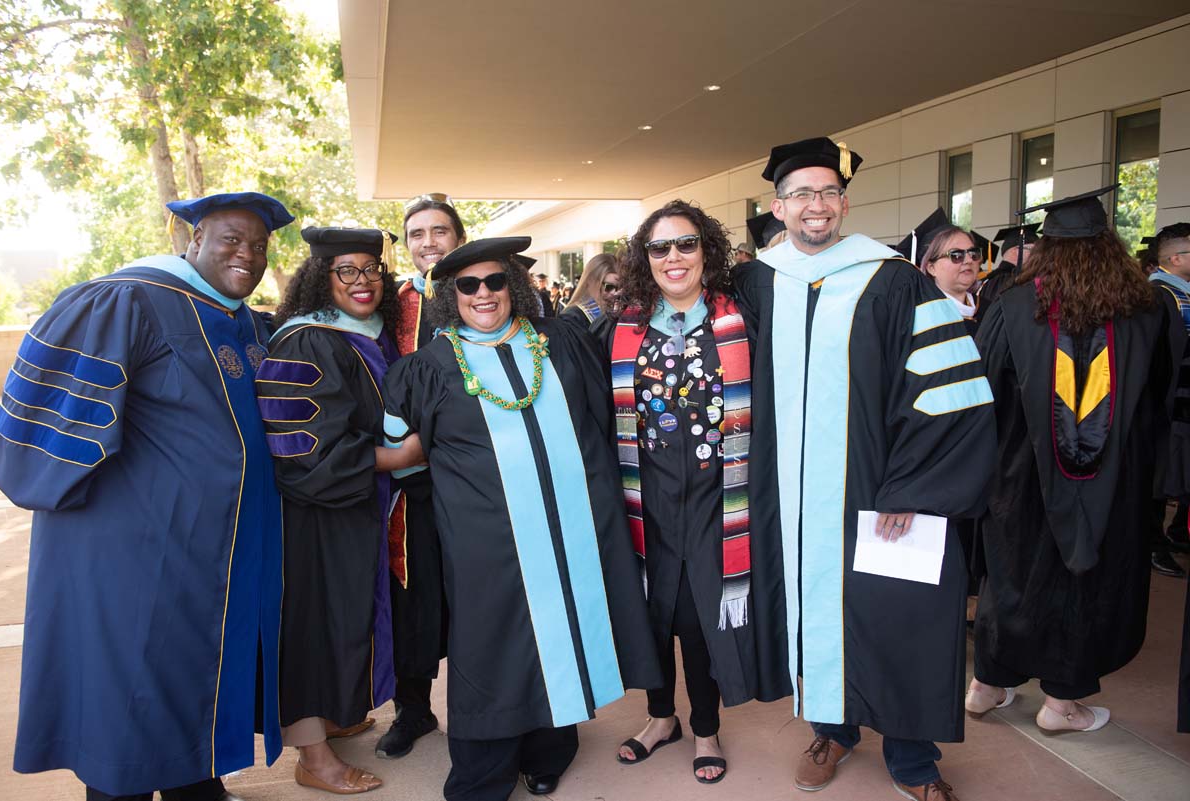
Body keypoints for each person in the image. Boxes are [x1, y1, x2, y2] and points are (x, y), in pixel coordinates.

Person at [0, 192, 294, 801]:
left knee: (193, 669)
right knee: (132, 675)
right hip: (139, 545)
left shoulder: (245, 321)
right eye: (231, 239)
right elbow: (52, 422)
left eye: (259, 246)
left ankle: (197, 782)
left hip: (223, 547)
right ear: (192, 237)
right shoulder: (126, 299)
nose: (247, 255)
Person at [732, 138, 996, 801]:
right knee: (813, 609)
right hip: (785, 497)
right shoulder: (754, 283)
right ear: (778, 206)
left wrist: (914, 485)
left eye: (827, 192)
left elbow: (950, 392)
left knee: (899, 613)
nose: (815, 205)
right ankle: (833, 728)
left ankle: (912, 756)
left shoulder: (895, 280)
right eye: (800, 194)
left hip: (881, 490)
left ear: (844, 203)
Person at [382, 236, 661, 801]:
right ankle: (484, 771)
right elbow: (398, 450)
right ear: (450, 296)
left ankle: (549, 751)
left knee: (561, 631)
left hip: (574, 527)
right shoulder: (428, 367)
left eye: (495, 281)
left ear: (514, 285)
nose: (483, 294)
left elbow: (601, 418)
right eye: (468, 285)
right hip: (487, 540)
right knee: (491, 648)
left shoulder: (559, 342)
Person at [968, 186, 1172, 735]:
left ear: (1046, 247)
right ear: (1110, 243)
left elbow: (983, 390)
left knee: (1012, 573)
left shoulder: (1010, 303)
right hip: (1115, 476)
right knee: (1089, 579)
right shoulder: (1148, 307)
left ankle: (987, 683)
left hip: (1021, 471)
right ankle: (1061, 705)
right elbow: (1162, 392)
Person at [257, 226, 427, 794]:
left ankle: (334, 715)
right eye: (346, 270)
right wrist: (396, 455)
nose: (363, 281)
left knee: (350, 618)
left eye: (371, 269)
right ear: (319, 277)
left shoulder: (373, 333)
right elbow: (300, 446)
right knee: (314, 626)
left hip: (363, 507)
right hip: (318, 513)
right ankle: (313, 757)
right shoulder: (306, 340)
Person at [600, 201, 756, 784]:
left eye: (686, 245)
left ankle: (705, 727)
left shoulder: (740, 321)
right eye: (660, 248)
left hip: (719, 496)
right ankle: (659, 718)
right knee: (652, 612)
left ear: (707, 251)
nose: (674, 258)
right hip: (647, 496)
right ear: (646, 258)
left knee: (695, 617)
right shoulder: (622, 330)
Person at [376, 193, 466, 760]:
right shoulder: (391, 303)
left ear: (458, 237)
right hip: (407, 480)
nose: (428, 242)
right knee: (412, 599)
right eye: (416, 233)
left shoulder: (481, 292)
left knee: (479, 596)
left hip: (473, 475)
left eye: (439, 231)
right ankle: (413, 710)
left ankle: (496, 709)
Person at [1150, 222, 1190, 570]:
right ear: (1175, 258)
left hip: (1179, 403)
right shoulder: (1159, 296)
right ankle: (1153, 543)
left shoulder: (1181, 293)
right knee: (1159, 476)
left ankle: (1174, 533)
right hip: (1164, 405)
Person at [975, 222, 1040, 322]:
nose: (1037, 255)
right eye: (1033, 250)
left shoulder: (989, 280)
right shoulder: (1009, 281)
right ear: (1017, 250)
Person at [560, 252, 623, 330]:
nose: (614, 293)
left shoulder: (617, 313)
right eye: (609, 287)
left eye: (620, 287)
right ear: (590, 281)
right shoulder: (571, 318)